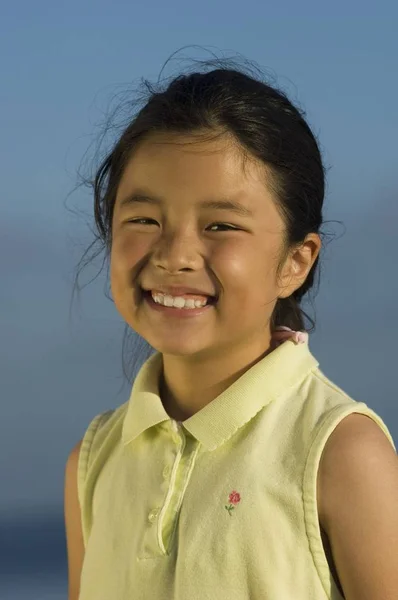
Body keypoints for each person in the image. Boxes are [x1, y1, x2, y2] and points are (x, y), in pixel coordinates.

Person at [64, 54, 398, 600]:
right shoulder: (92, 463)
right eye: (144, 219)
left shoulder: (340, 452)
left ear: (295, 262)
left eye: (220, 225)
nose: (175, 255)